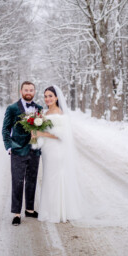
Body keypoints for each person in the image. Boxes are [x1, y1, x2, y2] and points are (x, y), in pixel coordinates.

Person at [32, 85, 83, 223]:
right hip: (47, 150)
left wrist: (42, 133)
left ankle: (58, 212)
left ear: (56, 97)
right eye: (46, 96)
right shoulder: (45, 113)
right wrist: (35, 136)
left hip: (57, 150)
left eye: (50, 96)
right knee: (49, 177)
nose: (48, 99)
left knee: (55, 177)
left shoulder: (59, 113)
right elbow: (40, 131)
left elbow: (61, 135)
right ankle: (49, 209)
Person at [2, 81, 43, 226]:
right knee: (17, 181)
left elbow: (42, 129)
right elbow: (6, 129)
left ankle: (30, 210)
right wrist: (9, 146)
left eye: (31, 90)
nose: (29, 92)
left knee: (32, 180)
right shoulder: (12, 108)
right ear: (21, 91)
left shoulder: (39, 109)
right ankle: (17, 213)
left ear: (34, 91)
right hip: (18, 150)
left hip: (34, 150)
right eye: (26, 90)